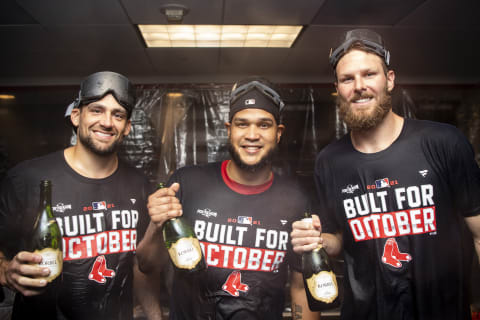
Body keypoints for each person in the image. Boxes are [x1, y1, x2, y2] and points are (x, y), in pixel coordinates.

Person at [291, 29, 480, 320]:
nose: (359, 86)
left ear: (390, 79)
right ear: (337, 88)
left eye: (369, 74)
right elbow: (341, 240)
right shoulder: (330, 161)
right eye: (347, 79)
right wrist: (318, 240)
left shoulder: (444, 142)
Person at [137, 78, 319, 319]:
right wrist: (155, 225)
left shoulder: (295, 200)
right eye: (242, 124)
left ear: (278, 133)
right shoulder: (188, 183)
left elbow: (300, 287)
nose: (252, 135)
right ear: (228, 130)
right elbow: (147, 265)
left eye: (264, 125)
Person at [0, 71, 153, 319]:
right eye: (96, 110)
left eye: (118, 115)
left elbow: (142, 265)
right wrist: (6, 271)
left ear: (127, 128)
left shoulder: (139, 184)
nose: (106, 122)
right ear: (76, 116)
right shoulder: (26, 179)